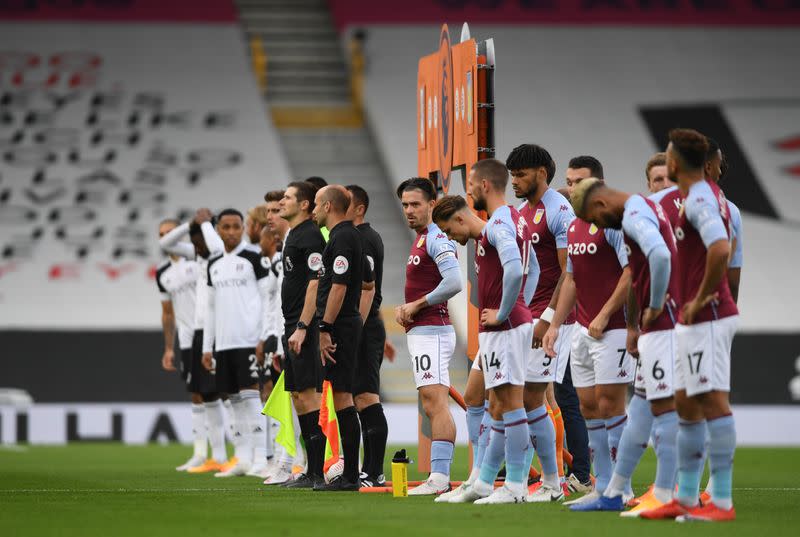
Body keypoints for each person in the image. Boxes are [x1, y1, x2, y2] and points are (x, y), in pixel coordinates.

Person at [640, 129, 739, 522]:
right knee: (685, 402)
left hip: (708, 316)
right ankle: (684, 495)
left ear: (677, 162)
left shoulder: (699, 197)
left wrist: (699, 298)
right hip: (692, 319)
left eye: (668, 156)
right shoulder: (697, 196)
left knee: (711, 401)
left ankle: (723, 502)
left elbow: (720, 248)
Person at [568, 178, 681, 515]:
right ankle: (616, 490)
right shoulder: (639, 209)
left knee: (665, 410)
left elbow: (659, 256)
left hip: (665, 326)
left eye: (595, 220)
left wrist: (656, 303)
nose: (598, 227)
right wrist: (636, 323)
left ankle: (668, 493)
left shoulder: (633, 214)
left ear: (600, 206)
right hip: (649, 329)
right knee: (643, 412)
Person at [432, 160, 539, 504]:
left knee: (510, 404)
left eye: (450, 231)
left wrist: (509, 309)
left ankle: (517, 485)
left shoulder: (497, 225)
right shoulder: (495, 227)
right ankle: (483, 481)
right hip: (503, 327)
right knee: (494, 405)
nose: (452, 238)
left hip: (506, 326)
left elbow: (514, 269)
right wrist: (523, 305)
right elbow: (531, 268)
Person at [542, 160, 634, 510]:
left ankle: (622, 487)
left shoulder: (613, 225)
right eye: (568, 182)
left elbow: (631, 273)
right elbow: (572, 279)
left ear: (599, 184)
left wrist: (606, 313)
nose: (571, 188)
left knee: (612, 405)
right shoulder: (574, 226)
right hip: (582, 331)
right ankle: (603, 485)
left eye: (579, 182)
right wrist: (554, 324)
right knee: (587, 407)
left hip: (611, 330)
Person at [508, 145, 591, 496]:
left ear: (541, 173)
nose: (515, 181)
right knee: (544, 397)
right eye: (511, 175)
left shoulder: (559, 211)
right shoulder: (526, 210)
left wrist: (547, 318)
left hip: (554, 317)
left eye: (521, 175)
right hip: (531, 316)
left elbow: (567, 271)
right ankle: (549, 476)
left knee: (546, 397)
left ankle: (565, 478)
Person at [394, 177, 462, 495]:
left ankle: (439, 476)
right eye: (405, 204)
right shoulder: (423, 238)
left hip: (433, 330)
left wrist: (418, 304)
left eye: (416, 204)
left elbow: (454, 281)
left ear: (432, 205)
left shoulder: (436, 238)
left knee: (436, 402)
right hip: (424, 330)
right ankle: (439, 476)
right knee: (431, 401)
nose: (409, 210)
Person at [311, 185, 374, 491]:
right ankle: (351, 472)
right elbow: (366, 282)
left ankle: (350, 475)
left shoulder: (344, 237)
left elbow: (338, 286)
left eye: (315, 205)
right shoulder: (349, 237)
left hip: (338, 326)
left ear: (327, 207)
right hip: (345, 323)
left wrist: (325, 328)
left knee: (343, 397)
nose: (312, 210)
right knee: (341, 397)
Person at [201, 209, 271, 478]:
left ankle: (261, 459)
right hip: (224, 344)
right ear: (218, 230)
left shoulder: (255, 258)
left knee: (252, 398)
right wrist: (208, 346)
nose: (231, 231)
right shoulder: (213, 264)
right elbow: (209, 308)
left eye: (236, 226)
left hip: (249, 340)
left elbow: (267, 299)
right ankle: (241, 458)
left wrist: (264, 336)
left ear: (243, 228)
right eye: (226, 227)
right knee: (233, 401)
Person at [157, 211, 228, 473]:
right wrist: (168, 347)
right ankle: (202, 453)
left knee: (223, 392)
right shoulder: (162, 272)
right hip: (188, 338)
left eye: (169, 232)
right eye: (161, 234)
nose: (165, 238)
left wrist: (196, 225)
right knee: (198, 394)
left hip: (210, 332)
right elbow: (167, 312)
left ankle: (228, 454)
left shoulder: (196, 256)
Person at [278, 182, 328, 488]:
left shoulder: (310, 236)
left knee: (310, 395)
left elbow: (315, 283)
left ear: (305, 204)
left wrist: (302, 327)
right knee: (298, 396)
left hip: (302, 325)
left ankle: (317, 471)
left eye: (287, 197)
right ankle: (310, 469)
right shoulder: (294, 234)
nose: (282, 202)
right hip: (291, 324)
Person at [345, 184, 395, 488]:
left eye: (345, 204)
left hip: (363, 326)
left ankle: (374, 471)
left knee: (365, 396)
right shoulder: (358, 237)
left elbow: (368, 289)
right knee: (356, 396)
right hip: (364, 325)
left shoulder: (365, 239)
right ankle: (368, 469)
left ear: (359, 208)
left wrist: (357, 328)